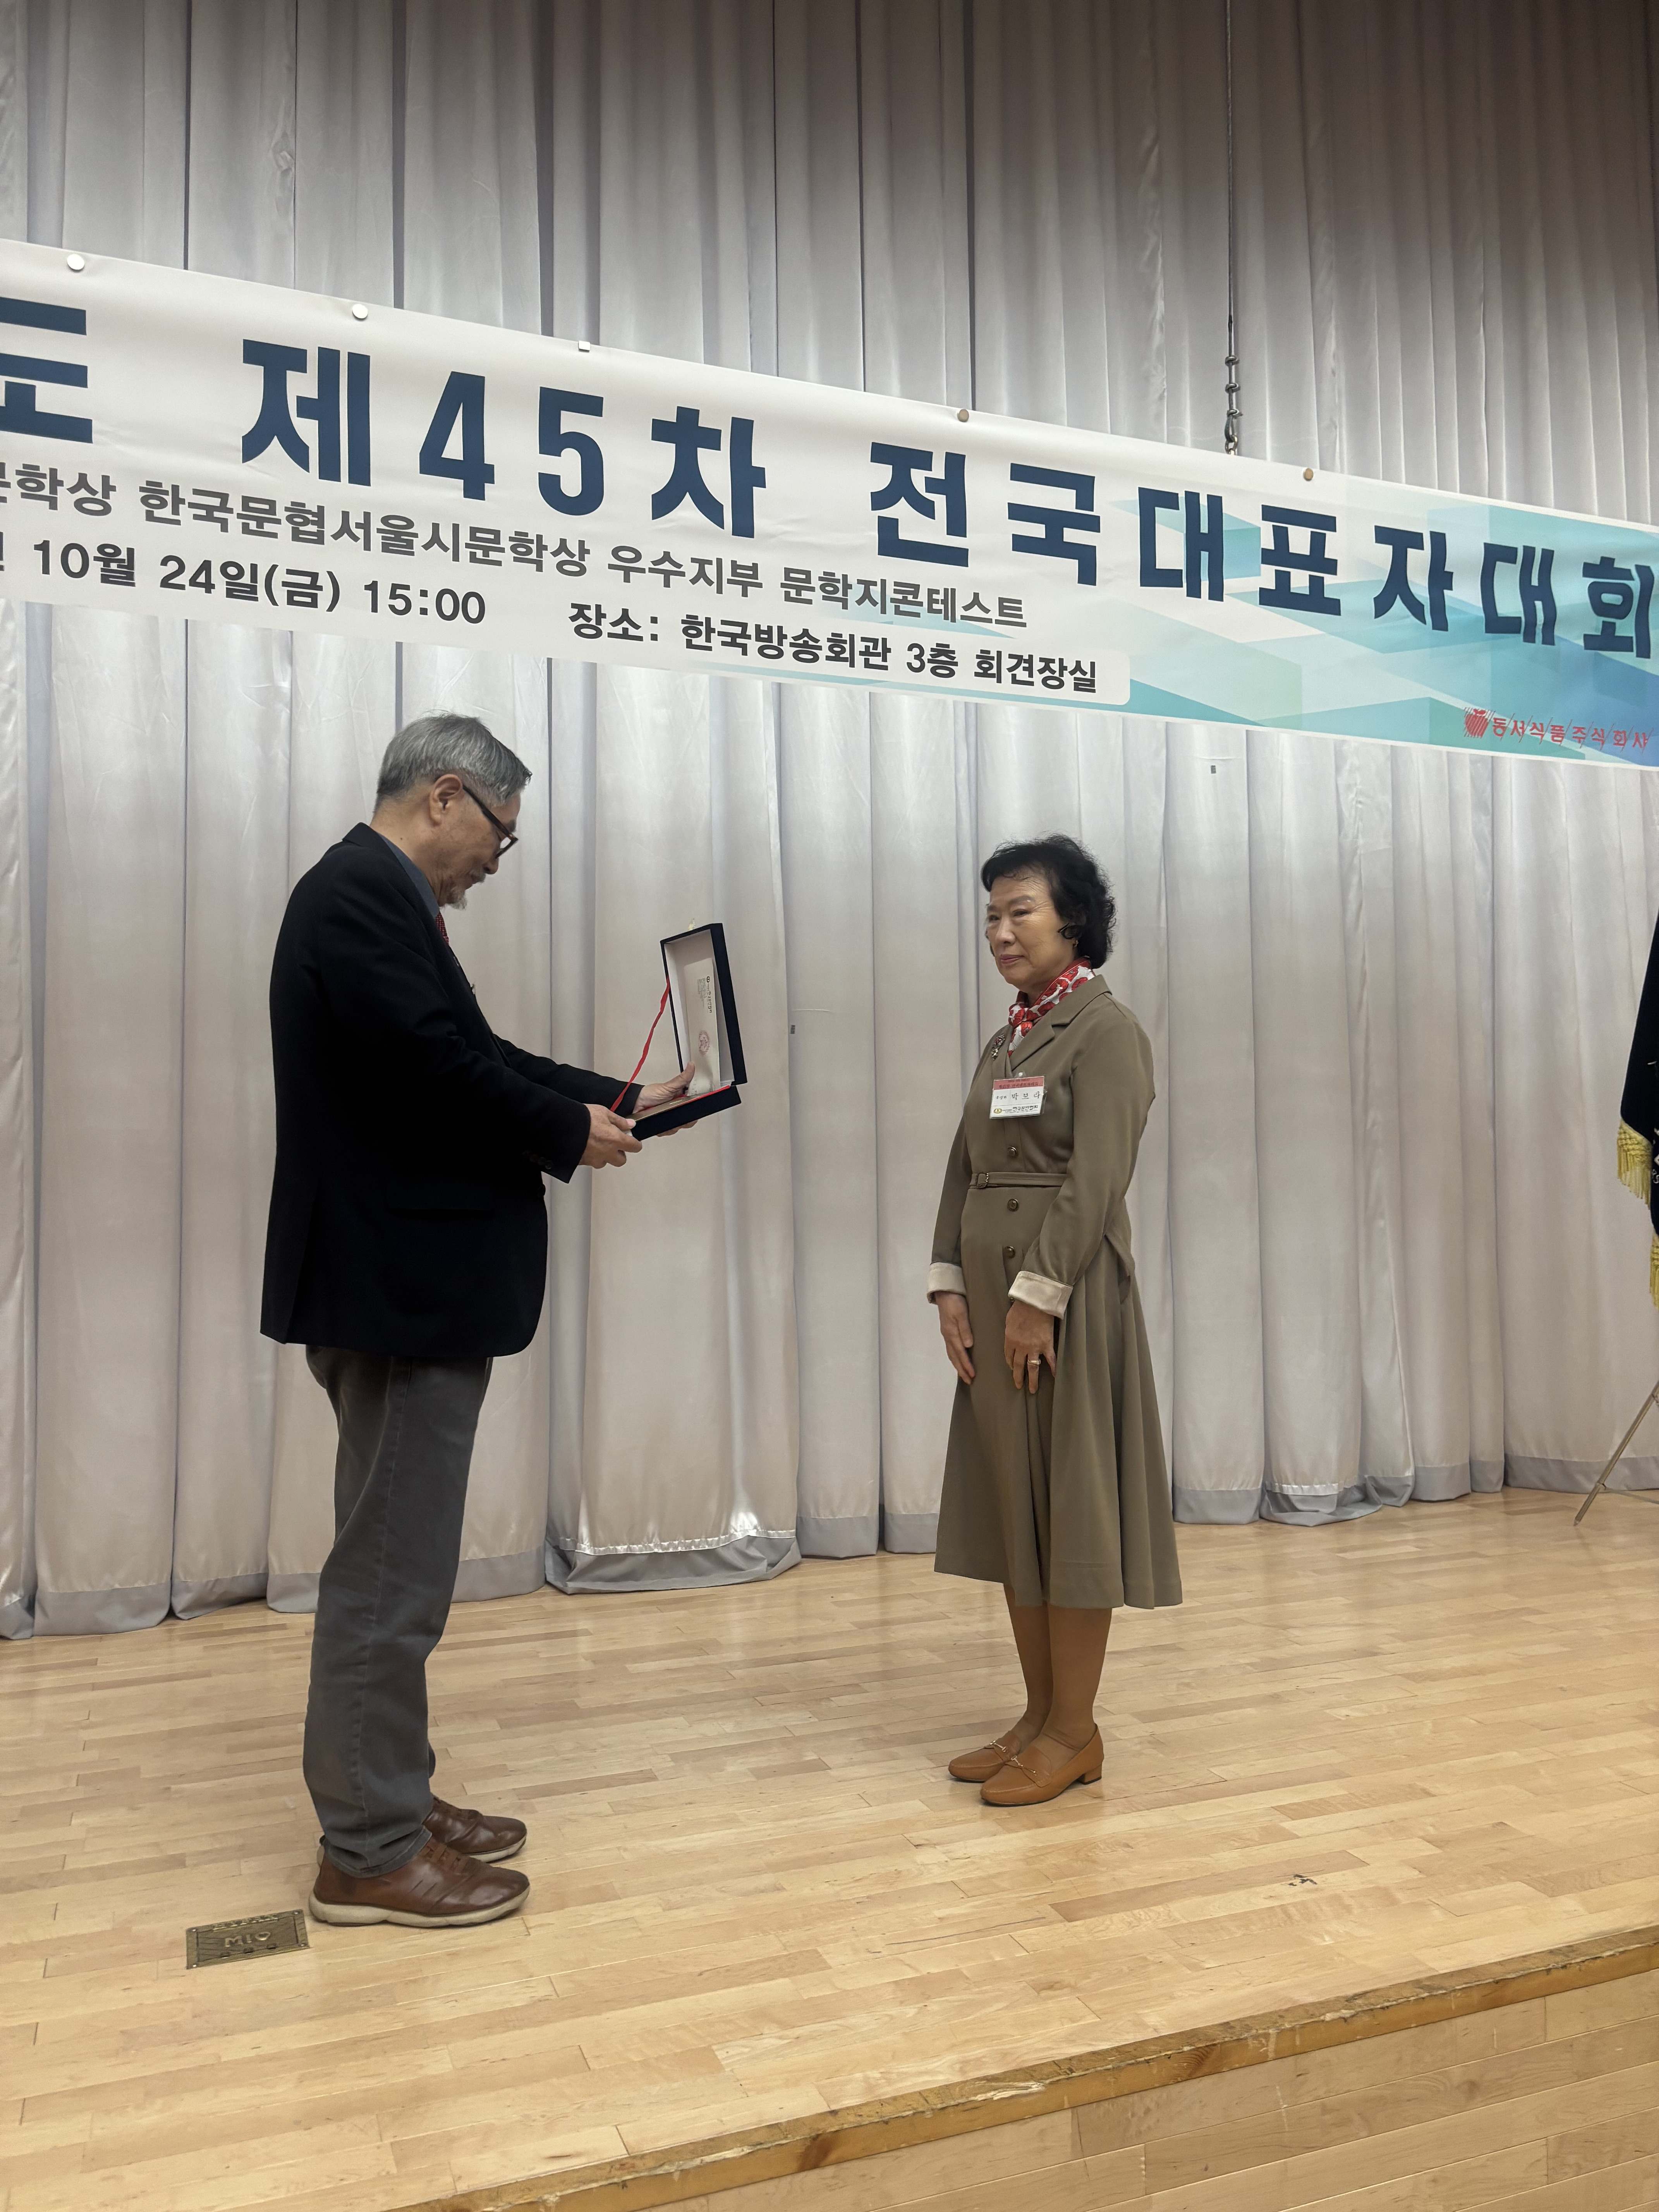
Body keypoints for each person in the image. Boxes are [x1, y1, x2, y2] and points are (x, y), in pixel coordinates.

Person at [262, 713, 692, 1929]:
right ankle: (367, 1850)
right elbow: (436, 1071)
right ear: (446, 796)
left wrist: (617, 1099)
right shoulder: (359, 895)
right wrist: (564, 1130)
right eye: (501, 834)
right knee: (389, 1578)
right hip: (400, 1292)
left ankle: (389, 1794)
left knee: (395, 1564)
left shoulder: (376, 896)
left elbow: (470, 1051)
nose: (497, 861)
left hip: (403, 1286)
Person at [929, 835, 1181, 1807]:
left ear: (1073, 918)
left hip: (1063, 1299)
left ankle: (1076, 1730)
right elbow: (963, 1165)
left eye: (1019, 911)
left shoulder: (1106, 1032)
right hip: (995, 1298)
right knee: (1017, 1509)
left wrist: (1037, 1298)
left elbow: (1097, 1179)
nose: (1000, 932)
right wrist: (951, 1284)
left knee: (1066, 1508)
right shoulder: (1009, 1038)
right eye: (991, 916)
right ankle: (1039, 1718)